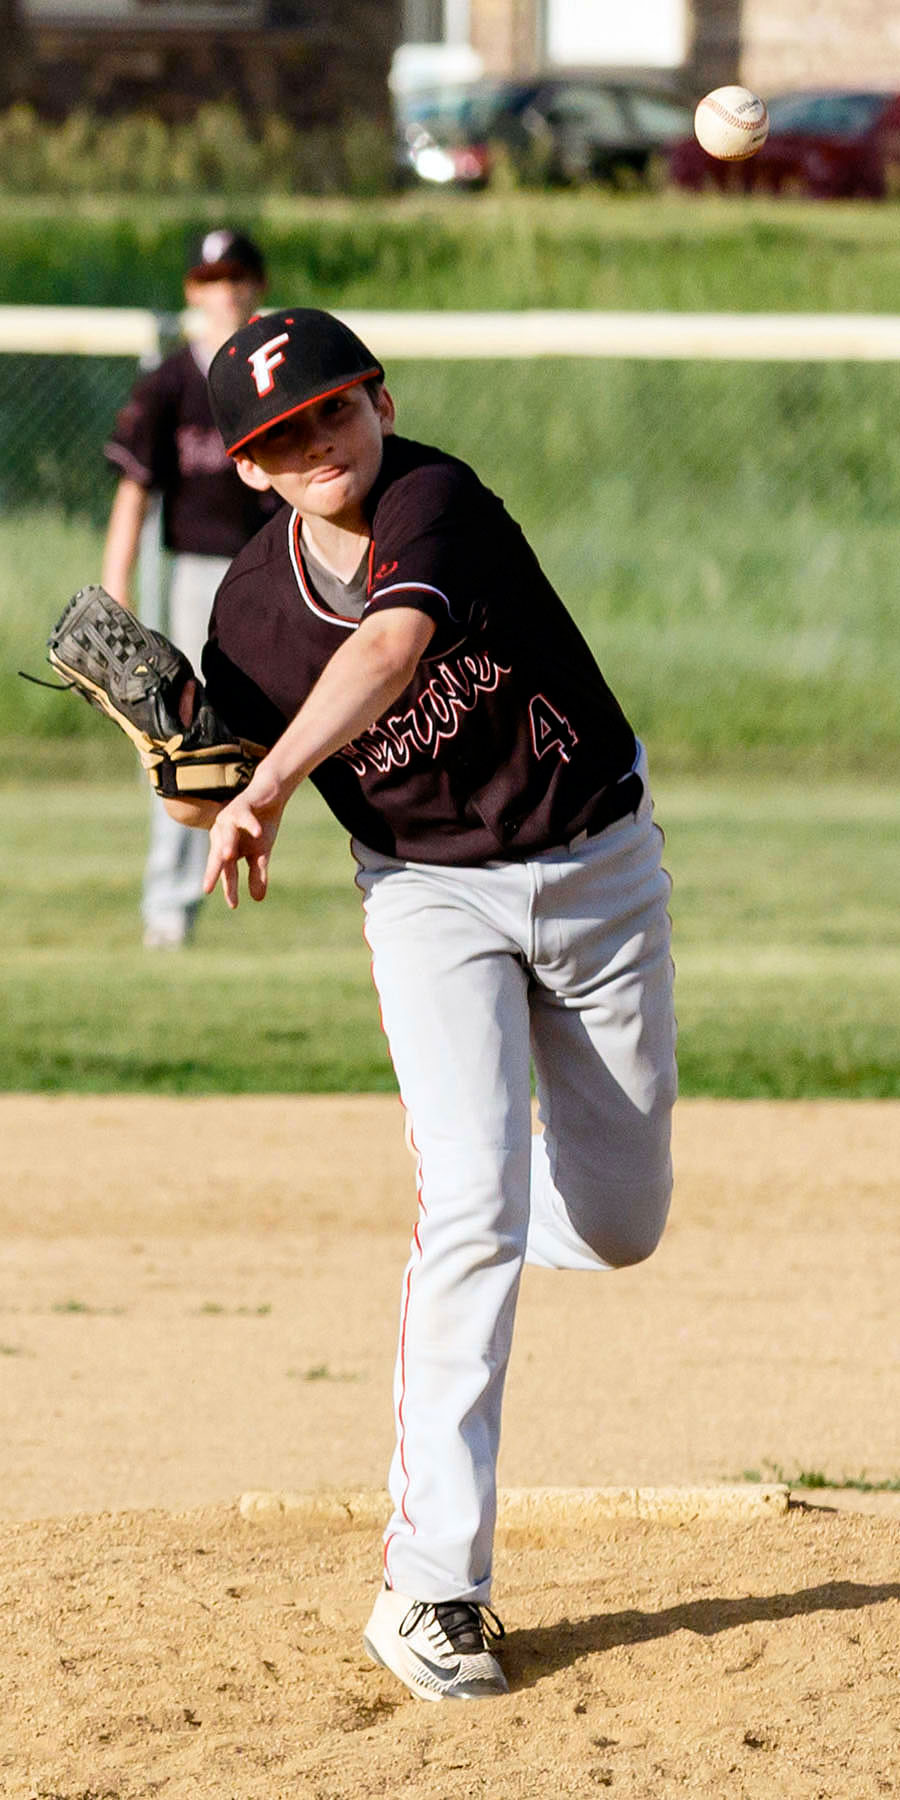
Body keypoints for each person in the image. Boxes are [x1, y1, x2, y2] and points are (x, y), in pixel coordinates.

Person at [167, 308, 677, 1701]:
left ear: (379, 401)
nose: (313, 443)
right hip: (428, 899)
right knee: (468, 1205)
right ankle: (431, 1586)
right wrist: (191, 768)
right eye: (278, 436)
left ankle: (510, 1209)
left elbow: (391, 651)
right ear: (252, 469)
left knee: (625, 1224)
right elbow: (218, 770)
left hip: (595, 868)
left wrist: (269, 781)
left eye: (329, 410)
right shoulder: (247, 614)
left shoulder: (434, 497)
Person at [101, 228, 281, 950]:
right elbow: (134, 494)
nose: (225, 291)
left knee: (283, 733)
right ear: (192, 292)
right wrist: (116, 593)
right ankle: (170, 908)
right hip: (196, 577)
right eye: (211, 279)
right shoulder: (171, 382)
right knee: (184, 743)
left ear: (257, 288)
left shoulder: (276, 376)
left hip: (275, 572)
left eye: (237, 277)